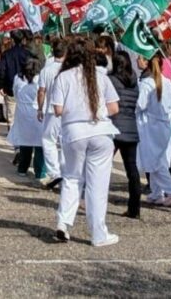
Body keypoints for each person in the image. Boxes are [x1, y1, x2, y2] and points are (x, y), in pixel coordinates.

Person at [50, 38, 120, 246]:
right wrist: (97, 112)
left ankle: (63, 223)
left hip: (74, 132)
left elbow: (58, 110)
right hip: (101, 130)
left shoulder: (63, 77)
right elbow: (115, 107)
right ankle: (99, 234)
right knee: (97, 185)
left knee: (72, 179)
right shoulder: (100, 77)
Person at [137, 52, 171, 205]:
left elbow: (140, 105)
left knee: (154, 161)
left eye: (140, 57)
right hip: (165, 125)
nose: (137, 60)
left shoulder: (147, 83)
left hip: (151, 126)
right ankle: (157, 192)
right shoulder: (166, 81)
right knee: (157, 159)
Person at [109, 50, 141, 218]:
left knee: (104, 167)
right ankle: (135, 207)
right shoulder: (134, 81)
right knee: (132, 169)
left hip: (114, 126)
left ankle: (94, 201)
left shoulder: (111, 80)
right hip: (131, 125)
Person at [8, 56, 45, 180]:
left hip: (22, 112)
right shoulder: (41, 79)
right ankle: (40, 172)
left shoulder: (18, 78)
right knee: (39, 143)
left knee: (25, 142)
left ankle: (22, 168)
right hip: (37, 112)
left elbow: (14, 93)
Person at [35, 40, 64, 189]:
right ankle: (65, 171)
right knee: (64, 142)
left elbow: (41, 91)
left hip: (52, 111)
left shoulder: (46, 70)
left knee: (48, 141)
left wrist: (40, 108)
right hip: (68, 111)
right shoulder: (70, 69)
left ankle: (55, 172)